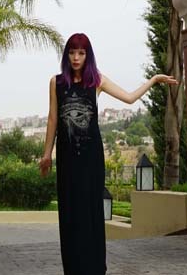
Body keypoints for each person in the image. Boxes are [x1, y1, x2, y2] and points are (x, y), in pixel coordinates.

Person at [39, 32, 179, 275]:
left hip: (91, 158)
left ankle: (94, 268)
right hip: (67, 158)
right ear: (66, 55)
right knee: (70, 212)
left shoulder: (97, 81)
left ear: (88, 55)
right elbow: (52, 119)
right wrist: (46, 154)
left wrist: (153, 80)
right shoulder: (56, 82)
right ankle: (73, 269)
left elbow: (129, 98)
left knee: (91, 212)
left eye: (81, 53)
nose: (76, 57)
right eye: (72, 52)